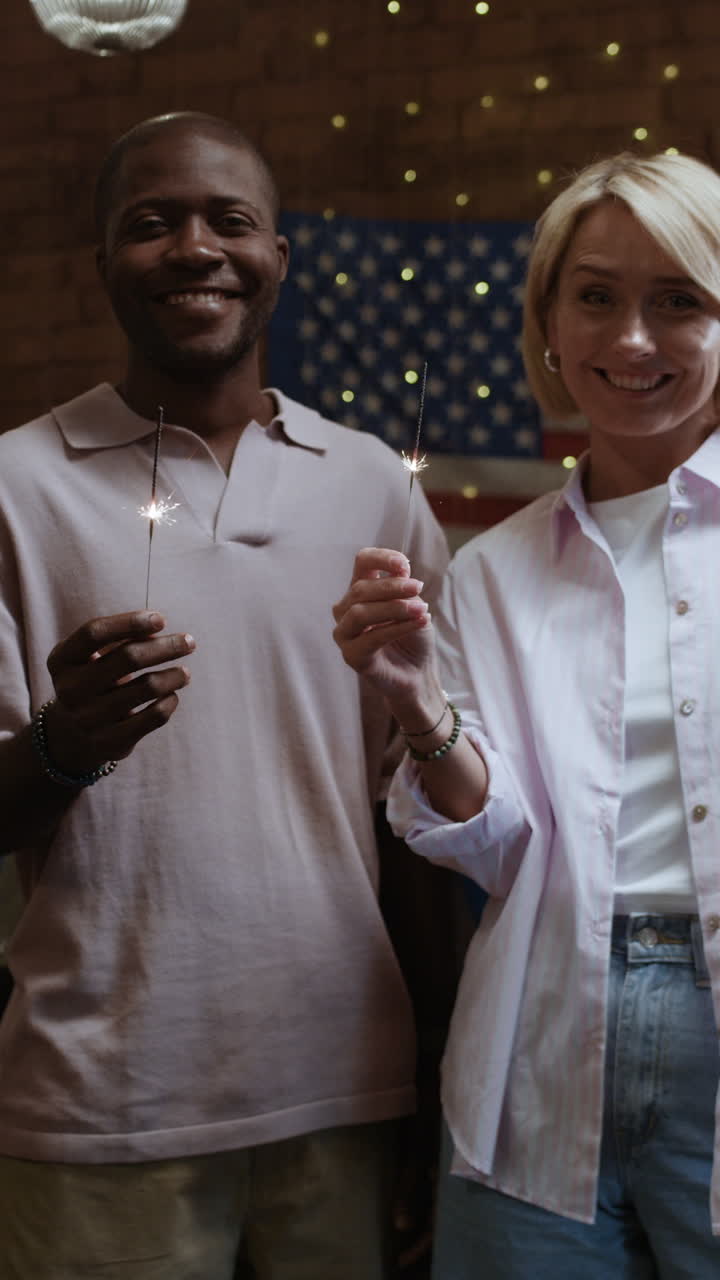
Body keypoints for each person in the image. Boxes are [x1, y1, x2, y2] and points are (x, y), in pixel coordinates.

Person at [0, 111, 448, 1280]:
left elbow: (429, 814)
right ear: (103, 260)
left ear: (279, 258)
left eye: (228, 219)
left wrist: (434, 1076)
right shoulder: (13, 486)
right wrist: (58, 745)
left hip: (347, 1088)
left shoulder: (373, 489)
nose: (194, 247)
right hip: (102, 1104)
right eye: (151, 224)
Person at [333, 149, 720, 1277]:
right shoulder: (492, 568)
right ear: (549, 320)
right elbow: (498, 840)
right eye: (595, 295)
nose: (631, 339)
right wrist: (417, 704)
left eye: (679, 299)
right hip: (540, 1028)